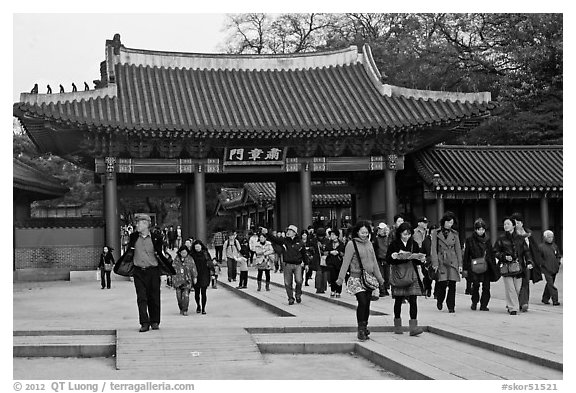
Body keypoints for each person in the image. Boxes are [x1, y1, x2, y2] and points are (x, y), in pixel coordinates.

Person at [116, 213, 176, 332]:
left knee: (154, 296)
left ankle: (155, 321)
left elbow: (160, 253)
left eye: (138, 223)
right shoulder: (133, 237)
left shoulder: (156, 237)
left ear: (145, 224)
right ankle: (144, 322)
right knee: (141, 297)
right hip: (138, 271)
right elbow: (128, 252)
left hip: (153, 271)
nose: (136, 225)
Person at [336, 220, 384, 341]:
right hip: (356, 278)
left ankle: (365, 325)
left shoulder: (369, 244)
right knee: (362, 301)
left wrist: (380, 279)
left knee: (367, 303)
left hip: (368, 278)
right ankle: (360, 329)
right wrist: (340, 279)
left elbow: (374, 263)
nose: (364, 234)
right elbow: (345, 262)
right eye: (362, 232)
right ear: (357, 232)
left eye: (366, 232)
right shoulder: (351, 244)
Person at [386, 222, 426, 336]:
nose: (406, 236)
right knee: (398, 300)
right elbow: (388, 259)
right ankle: (397, 325)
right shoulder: (394, 244)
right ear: (399, 233)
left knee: (413, 300)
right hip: (399, 274)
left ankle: (413, 327)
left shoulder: (414, 243)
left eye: (408, 234)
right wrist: (394, 256)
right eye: (404, 234)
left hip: (411, 273)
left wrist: (420, 259)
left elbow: (417, 259)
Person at [493, 217, 534, 315]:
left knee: (517, 288)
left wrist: (529, 262)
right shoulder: (501, 239)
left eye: (508, 224)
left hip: (518, 267)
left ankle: (510, 304)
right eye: (504, 224)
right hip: (506, 267)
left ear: (513, 225)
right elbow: (495, 251)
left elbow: (526, 251)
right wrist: (504, 256)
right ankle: (513, 308)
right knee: (510, 288)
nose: (505, 226)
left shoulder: (520, 238)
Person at [431, 211, 463, 313]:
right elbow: (433, 249)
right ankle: (440, 300)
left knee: (452, 284)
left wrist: (460, 264)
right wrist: (435, 263)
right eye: (448, 222)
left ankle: (451, 306)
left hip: (453, 260)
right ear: (444, 222)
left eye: (452, 222)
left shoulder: (454, 234)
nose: (450, 224)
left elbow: (458, 249)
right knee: (442, 283)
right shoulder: (436, 233)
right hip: (441, 260)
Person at [462, 218, 496, 311]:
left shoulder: (487, 240)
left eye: (482, 229)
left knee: (486, 286)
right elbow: (466, 255)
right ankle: (474, 301)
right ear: (475, 230)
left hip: (486, 265)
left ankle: (484, 304)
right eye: (478, 229)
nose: (480, 231)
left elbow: (491, 253)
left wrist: (494, 266)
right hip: (474, 265)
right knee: (476, 285)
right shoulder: (469, 240)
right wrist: (465, 269)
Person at [511, 213, 543, 312]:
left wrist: (535, 261)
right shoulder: (512, 235)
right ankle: (517, 303)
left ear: (522, 223)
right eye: (515, 223)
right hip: (516, 262)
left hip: (528, 261)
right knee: (517, 284)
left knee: (526, 282)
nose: (517, 224)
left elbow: (534, 248)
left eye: (519, 222)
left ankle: (524, 303)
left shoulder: (528, 233)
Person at [281, 225, 307, 305]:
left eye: (290, 231)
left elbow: (304, 254)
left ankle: (298, 294)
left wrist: (306, 264)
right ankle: (290, 298)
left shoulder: (300, 242)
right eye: (288, 230)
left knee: (299, 280)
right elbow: (275, 240)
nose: (288, 232)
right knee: (288, 282)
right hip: (287, 264)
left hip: (297, 264)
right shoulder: (284, 241)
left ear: (295, 233)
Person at [190, 240, 215, 315]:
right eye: (196, 246)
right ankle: (198, 305)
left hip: (204, 274)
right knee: (197, 292)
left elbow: (210, 263)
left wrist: (212, 272)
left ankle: (203, 308)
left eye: (199, 246)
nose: (197, 248)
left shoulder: (205, 253)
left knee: (203, 292)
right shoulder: (192, 254)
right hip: (196, 275)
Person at [172, 247, 197, 315]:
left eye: (185, 252)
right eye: (182, 252)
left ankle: (185, 309)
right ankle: (181, 308)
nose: (184, 254)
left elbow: (193, 268)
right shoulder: (176, 260)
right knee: (179, 297)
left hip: (187, 280)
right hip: (178, 281)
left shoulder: (190, 259)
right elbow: (172, 269)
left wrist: (195, 277)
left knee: (186, 296)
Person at [538, 230, 561, 306]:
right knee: (551, 284)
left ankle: (545, 298)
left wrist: (558, 263)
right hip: (546, 269)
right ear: (545, 237)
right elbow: (539, 258)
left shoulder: (554, 246)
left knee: (549, 284)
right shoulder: (541, 247)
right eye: (549, 237)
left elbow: (558, 256)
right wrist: (542, 265)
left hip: (554, 268)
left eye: (552, 237)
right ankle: (555, 300)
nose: (550, 238)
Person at [372, 222, 391, 297]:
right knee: (381, 275)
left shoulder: (388, 238)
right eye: (380, 229)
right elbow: (374, 249)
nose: (381, 230)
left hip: (387, 259)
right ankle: (382, 290)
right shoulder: (376, 238)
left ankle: (386, 289)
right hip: (379, 259)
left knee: (387, 276)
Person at [325, 229, 345, 298]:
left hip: (339, 262)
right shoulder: (329, 243)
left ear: (337, 236)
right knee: (332, 277)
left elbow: (344, 253)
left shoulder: (341, 244)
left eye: (333, 235)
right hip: (331, 262)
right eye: (331, 235)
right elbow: (325, 252)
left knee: (339, 277)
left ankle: (338, 291)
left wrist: (338, 252)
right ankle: (333, 290)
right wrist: (330, 252)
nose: (332, 236)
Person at [313, 228, 329, 294]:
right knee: (319, 272)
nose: (320, 237)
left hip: (324, 258)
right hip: (318, 258)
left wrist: (321, 246)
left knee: (324, 273)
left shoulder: (326, 240)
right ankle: (318, 288)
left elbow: (327, 248)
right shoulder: (314, 240)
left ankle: (323, 288)